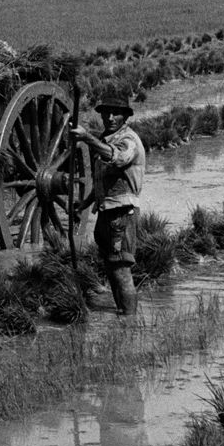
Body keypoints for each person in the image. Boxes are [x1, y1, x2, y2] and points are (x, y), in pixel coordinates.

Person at [76, 94, 145, 316]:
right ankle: (121, 315)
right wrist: (84, 204)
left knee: (121, 270)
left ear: (126, 116)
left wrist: (87, 138)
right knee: (112, 268)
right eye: (106, 113)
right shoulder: (105, 140)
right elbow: (101, 182)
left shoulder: (128, 140)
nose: (110, 117)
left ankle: (129, 321)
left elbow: (118, 158)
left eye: (116, 113)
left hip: (122, 213)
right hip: (106, 212)